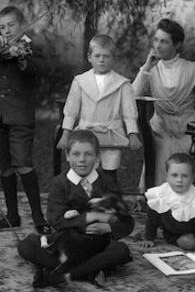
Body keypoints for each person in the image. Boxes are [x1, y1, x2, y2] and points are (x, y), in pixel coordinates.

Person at [17, 130, 134, 289]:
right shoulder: (60, 183)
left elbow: (127, 223)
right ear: (67, 156)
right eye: (76, 154)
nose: (82, 160)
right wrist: (89, 217)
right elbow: (55, 219)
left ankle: (55, 277)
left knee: (121, 251)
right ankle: (91, 270)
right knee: (26, 246)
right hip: (65, 244)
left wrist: (107, 227)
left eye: (88, 154)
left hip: (99, 244)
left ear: (98, 157)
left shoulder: (107, 183)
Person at [0, 6, 50, 234]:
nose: (6, 31)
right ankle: (12, 215)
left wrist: (21, 55)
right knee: (4, 167)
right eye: (2, 27)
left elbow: (40, 69)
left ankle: (38, 217)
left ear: (23, 24)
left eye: (11, 25)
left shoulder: (31, 48)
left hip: (21, 116)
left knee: (23, 163)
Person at [131, 18, 195, 186]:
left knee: (184, 162)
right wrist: (146, 67)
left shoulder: (193, 70)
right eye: (156, 40)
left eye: (164, 41)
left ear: (177, 44)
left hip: (188, 130)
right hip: (161, 129)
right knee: (159, 152)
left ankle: (183, 204)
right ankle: (156, 203)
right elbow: (133, 96)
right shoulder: (151, 69)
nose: (157, 45)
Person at [56, 34, 141, 191]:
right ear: (90, 57)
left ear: (113, 58)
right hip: (86, 133)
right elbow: (71, 110)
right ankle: (84, 204)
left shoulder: (122, 84)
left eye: (106, 56)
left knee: (110, 173)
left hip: (111, 133)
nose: (101, 60)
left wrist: (132, 134)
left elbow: (129, 112)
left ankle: (110, 207)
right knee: (85, 169)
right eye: (97, 55)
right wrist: (66, 133)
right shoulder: (80, 81)